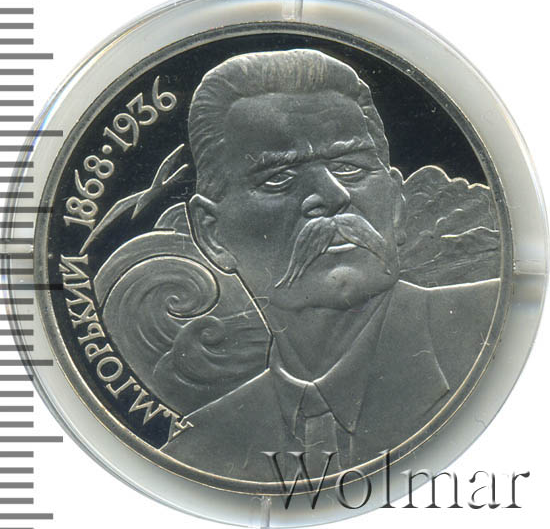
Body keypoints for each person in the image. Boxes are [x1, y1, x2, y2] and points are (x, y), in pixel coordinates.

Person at [155, 49, 499, 483]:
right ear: (212, 234)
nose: (334, 195)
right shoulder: (197, 456)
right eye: (278, 177)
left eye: (350, 166)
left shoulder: (505, 335)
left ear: (396, 205)